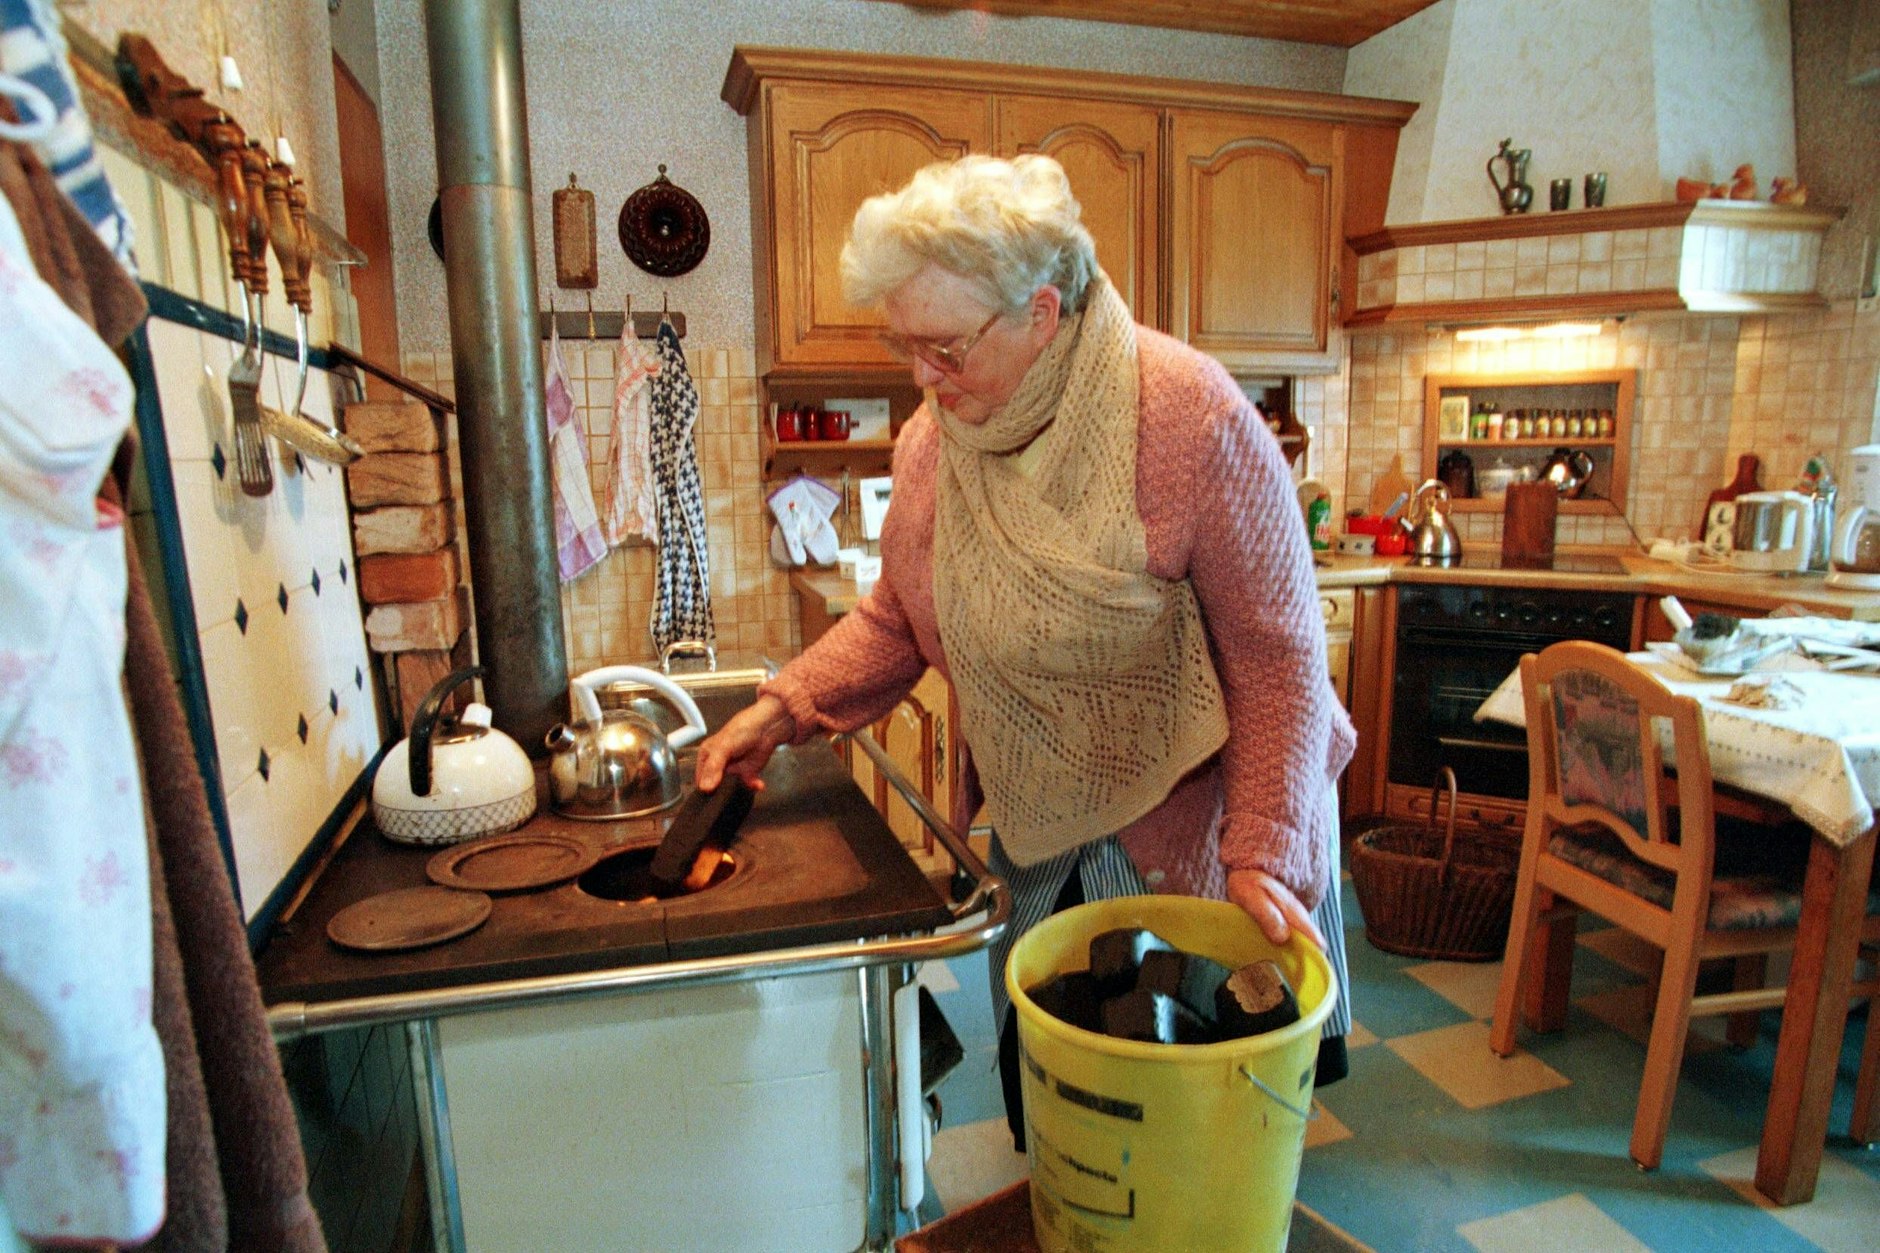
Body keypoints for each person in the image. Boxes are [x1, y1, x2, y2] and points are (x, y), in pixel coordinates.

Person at [694, 154, 1355, 1145]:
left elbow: (1278, 663)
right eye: (905, 344)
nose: (921, 376)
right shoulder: (934, 443)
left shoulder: (1189, 415)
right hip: (1043, 823)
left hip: (1202, 835)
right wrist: (782, 706)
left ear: (1039, 314)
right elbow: (897, 616)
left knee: (1194, 1125)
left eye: (943, 348)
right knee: (1070, 1105)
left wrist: (1261, 848)